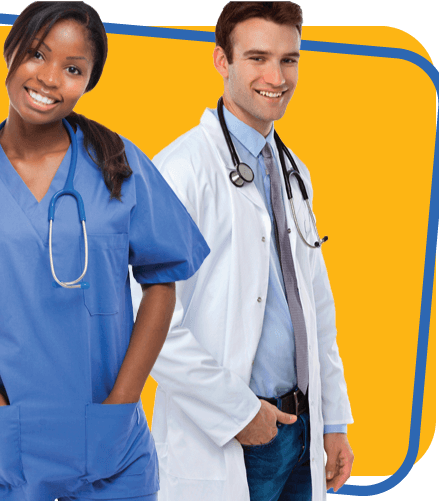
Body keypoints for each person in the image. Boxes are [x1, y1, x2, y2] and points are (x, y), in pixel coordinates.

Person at [0, 2, 209, 500]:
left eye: (73, 69)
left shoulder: (117, 164)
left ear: (88, 82)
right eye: (37, 54)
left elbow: (162, 280)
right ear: (10, 52)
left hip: (108, 447)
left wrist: (124, 399)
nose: (50, 78)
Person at [132, 2, 354, 500]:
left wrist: (333, 418)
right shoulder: (180, 172)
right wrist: (239, 413)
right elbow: (146, 320)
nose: (276, 76)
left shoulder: (293, 170)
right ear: (221, 62)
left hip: (301, 431)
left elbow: (314, 305)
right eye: (257, 58)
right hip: (234, 431)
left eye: (289, 60)